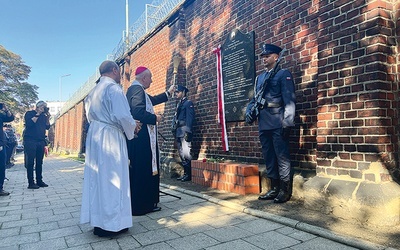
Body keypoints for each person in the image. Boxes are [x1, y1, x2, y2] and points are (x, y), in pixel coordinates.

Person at [80, 60, 139, 237]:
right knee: (113, 177)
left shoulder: (93, 92)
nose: (120, 76)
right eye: (119, 72)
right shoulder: (113, 89)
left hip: (96, 135)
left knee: (98, 179)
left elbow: (90, 116)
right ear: (114, 70)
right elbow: (122, 114)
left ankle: (98, 222)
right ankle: (113, 223)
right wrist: (133, 126)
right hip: (110, 137)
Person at [246, 44, 296, 203]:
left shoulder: (283, 74)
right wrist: (249, 111)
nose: (264, 59)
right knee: (269, 157)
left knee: (282, 156)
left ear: (276, 57)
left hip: (277, 121)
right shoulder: (259, 78)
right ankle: (274, 188)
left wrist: (288, 122)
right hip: (263, 122)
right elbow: (254, 99)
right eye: (263, 56)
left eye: (267, 56)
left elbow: (289, 100)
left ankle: (285, 190)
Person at [126, 66, 175, 216]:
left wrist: (168, 93)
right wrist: (155, 118)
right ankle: (142, 205)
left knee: (145, 168)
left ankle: (147, 201)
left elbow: (151, 100)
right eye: (150, 78)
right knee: (142, 169)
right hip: (140, 139)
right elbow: (137, 112)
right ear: (143, 78)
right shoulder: (136, 90)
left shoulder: (138, 90)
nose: (152, 81)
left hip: (142, 138)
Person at [23, 101, 51, 189]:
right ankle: (31, 182)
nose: (43, 108)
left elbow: (47, 127)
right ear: (37, 107)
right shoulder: (29, 113)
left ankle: (39, 180)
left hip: (40, 141)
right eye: (42, 107)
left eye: (45, 107)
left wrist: (47, 118)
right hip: (30, 140)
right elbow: (29, 124)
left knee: (39, 162)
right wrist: (38, 113)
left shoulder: (43, 116)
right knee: (30, 162)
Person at [172, 85, 195, 182]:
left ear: (184, 92)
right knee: (181, 153)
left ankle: (188, 174)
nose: (176, 94)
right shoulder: (179, 104)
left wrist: (188, 132)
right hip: (178, 132)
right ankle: (185, 173)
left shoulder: (188, 103)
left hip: (184, 131)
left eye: (178, 92)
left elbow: (190, 118)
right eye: (175, 92)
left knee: (186, 153)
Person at [0, 103, 14, 196]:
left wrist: (6, 109)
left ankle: (0, 188)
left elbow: (10, 118)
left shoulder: (0, 115)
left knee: (1, 166)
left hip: (1, 143)